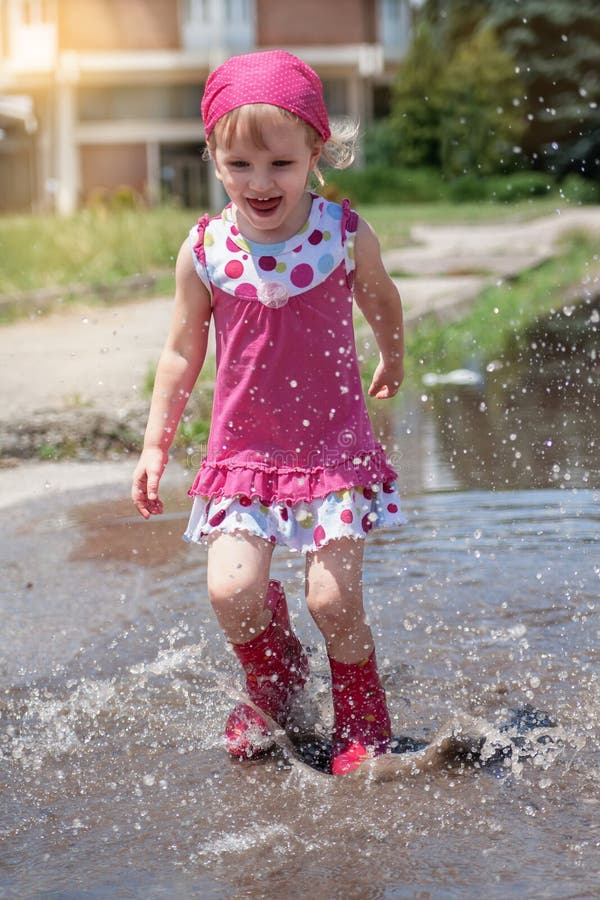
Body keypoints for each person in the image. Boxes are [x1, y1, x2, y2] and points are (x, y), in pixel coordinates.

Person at [131, 50, 405, 775]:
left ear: (317, 152)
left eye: (279, 164)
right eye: (239, 163)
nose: (259, 183)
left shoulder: (344, 233)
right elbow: (182, 351)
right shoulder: (206, 248)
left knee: (333, 598)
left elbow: (381, 297)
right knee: (231, 589)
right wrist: (156, 445)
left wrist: (394, 354)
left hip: (330, 455)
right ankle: (275, 679)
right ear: (215, 156)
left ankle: (360, 710)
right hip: (244, 458)